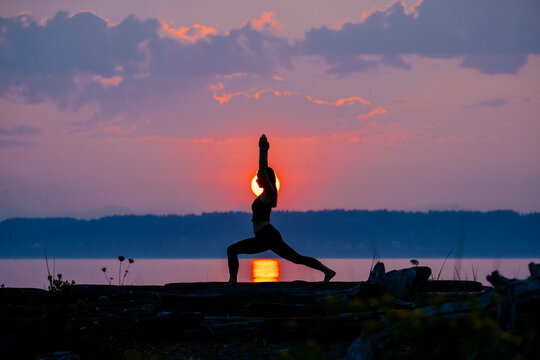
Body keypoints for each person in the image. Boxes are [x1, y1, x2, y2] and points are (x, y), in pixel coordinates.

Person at [227, 134, 336, 283]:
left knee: (232, 250)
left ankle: (232, 283)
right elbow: (263, 171)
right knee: (297, 258)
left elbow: (263, 169)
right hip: (264, 237)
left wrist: (262, 150)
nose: (257, 179)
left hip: (268, 236)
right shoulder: (265, 194)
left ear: (266, 179)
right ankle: (328, 271)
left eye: (259, 176)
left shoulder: (269, 193)